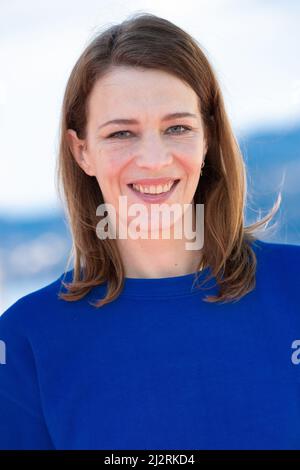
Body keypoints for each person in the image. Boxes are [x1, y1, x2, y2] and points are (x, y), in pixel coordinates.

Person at [0, 12, 299, 450]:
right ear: (82, 151)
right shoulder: (26, 342)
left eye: (177, 127)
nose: (154, 159)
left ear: (208, 138)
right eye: (122, 133)